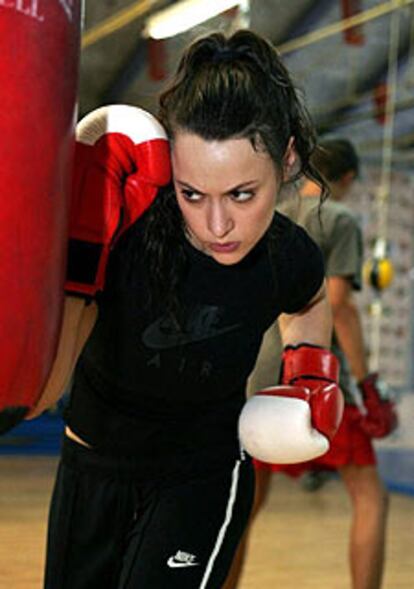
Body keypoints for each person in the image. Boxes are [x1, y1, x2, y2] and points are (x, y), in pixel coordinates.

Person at [29, 30, 344, 589]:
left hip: (201, 476)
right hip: (91, 469)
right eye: (191, 193)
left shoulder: (287, 256)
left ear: (288, 160)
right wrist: (84, 255)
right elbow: (43, 394)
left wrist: (308, 368)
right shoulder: (128, 231)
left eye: (242, 195)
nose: (216, 226)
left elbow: (311, 300)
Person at [227, 139, 392, 589]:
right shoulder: (339, 220)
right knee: (370, 496)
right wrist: (368, 383)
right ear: (349, 179)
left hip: (256, 378)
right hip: (314, 374)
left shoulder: (271, 214)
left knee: (245, 505)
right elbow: (338, 306)